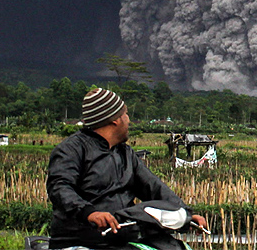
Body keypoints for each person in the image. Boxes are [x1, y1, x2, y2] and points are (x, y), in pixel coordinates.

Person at [46, 87, 208, 249]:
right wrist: (89, 213)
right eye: (125, 114)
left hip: (121, 239)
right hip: (81, 241)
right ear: (115, 119)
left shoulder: (126, 153)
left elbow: (152, 186)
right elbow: (59, 187)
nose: (128, 119)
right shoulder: (71, 150)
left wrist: (187, 213)